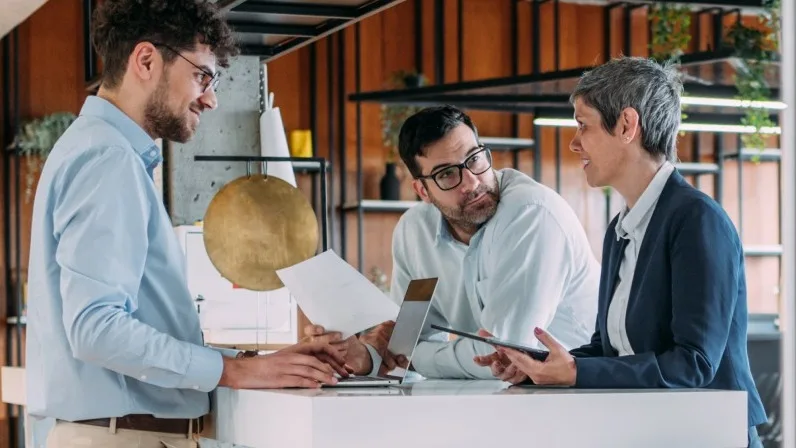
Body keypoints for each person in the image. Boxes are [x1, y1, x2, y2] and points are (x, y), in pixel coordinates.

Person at [25, 1, 345, 446]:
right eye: (202, 75)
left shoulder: (100, 150)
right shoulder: (109, 159)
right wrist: (232, 370)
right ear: (146, 60)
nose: (211, 98)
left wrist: (248, 360)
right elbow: (96, 329)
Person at [492, 56, 766, 447]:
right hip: (650, 428)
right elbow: (611, 348)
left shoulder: (696, 219)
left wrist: (576, 373)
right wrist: (538, 365)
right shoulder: (620, 229)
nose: (573, 142)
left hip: (709, 433)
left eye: (583, 125)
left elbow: (694, 363)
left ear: (626, 125)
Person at [305, 105, 601, 382]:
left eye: (474, 159)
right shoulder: (415, 233)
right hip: (501, 397)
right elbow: (407, 337)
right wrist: (363, 354)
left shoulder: (531, 215)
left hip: (586, 393)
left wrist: (408, 356)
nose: (471, 182)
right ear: (422, 190)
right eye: (446, 174)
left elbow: (501, 353)